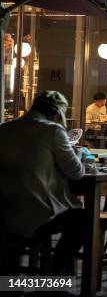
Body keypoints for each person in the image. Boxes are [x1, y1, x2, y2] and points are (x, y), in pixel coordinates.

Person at [0, 91, 85, 275]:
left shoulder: (5, 129)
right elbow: (76, 172)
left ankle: (12, 285)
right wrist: (76, 152)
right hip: (37, 212)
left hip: (7, 210)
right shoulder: (53, 131)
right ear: (56, 115)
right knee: (83, 221)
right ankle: (53, 281)